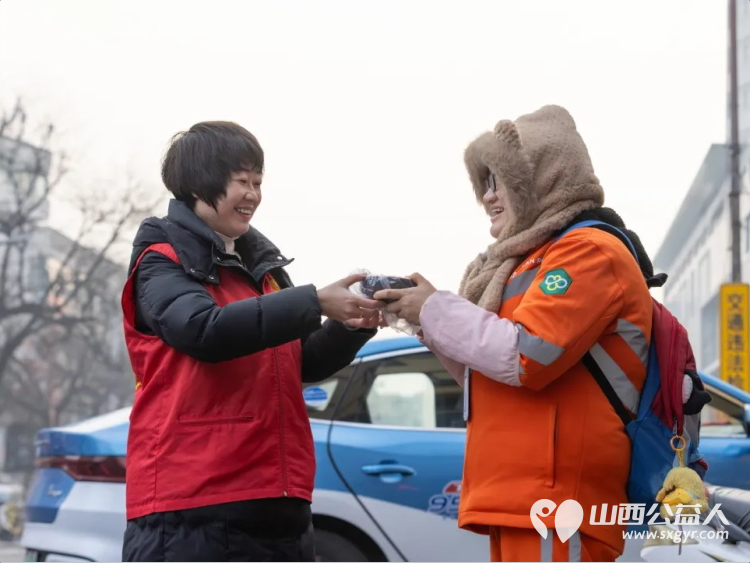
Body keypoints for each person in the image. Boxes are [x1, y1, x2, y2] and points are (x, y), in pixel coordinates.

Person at [374, 105, 654, 562]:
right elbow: (483, 375)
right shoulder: (528, 260)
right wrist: (424, 320)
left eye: (498, 181)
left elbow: (528, 355)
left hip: (556, 501)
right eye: (483, 184)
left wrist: (435, 309)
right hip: (523, 495)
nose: (487, 197)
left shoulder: (588, 250)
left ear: (541, 180)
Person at [120, 121, 384, 562]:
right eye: (241, 181)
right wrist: (314, 301)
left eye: (258, 182)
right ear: (199, 185)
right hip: (194, 505)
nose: (253, 194)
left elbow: (302, 362)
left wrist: (353, 323)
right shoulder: (161, 261)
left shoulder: (264, 270)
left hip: (279, 499)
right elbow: (203, 330)